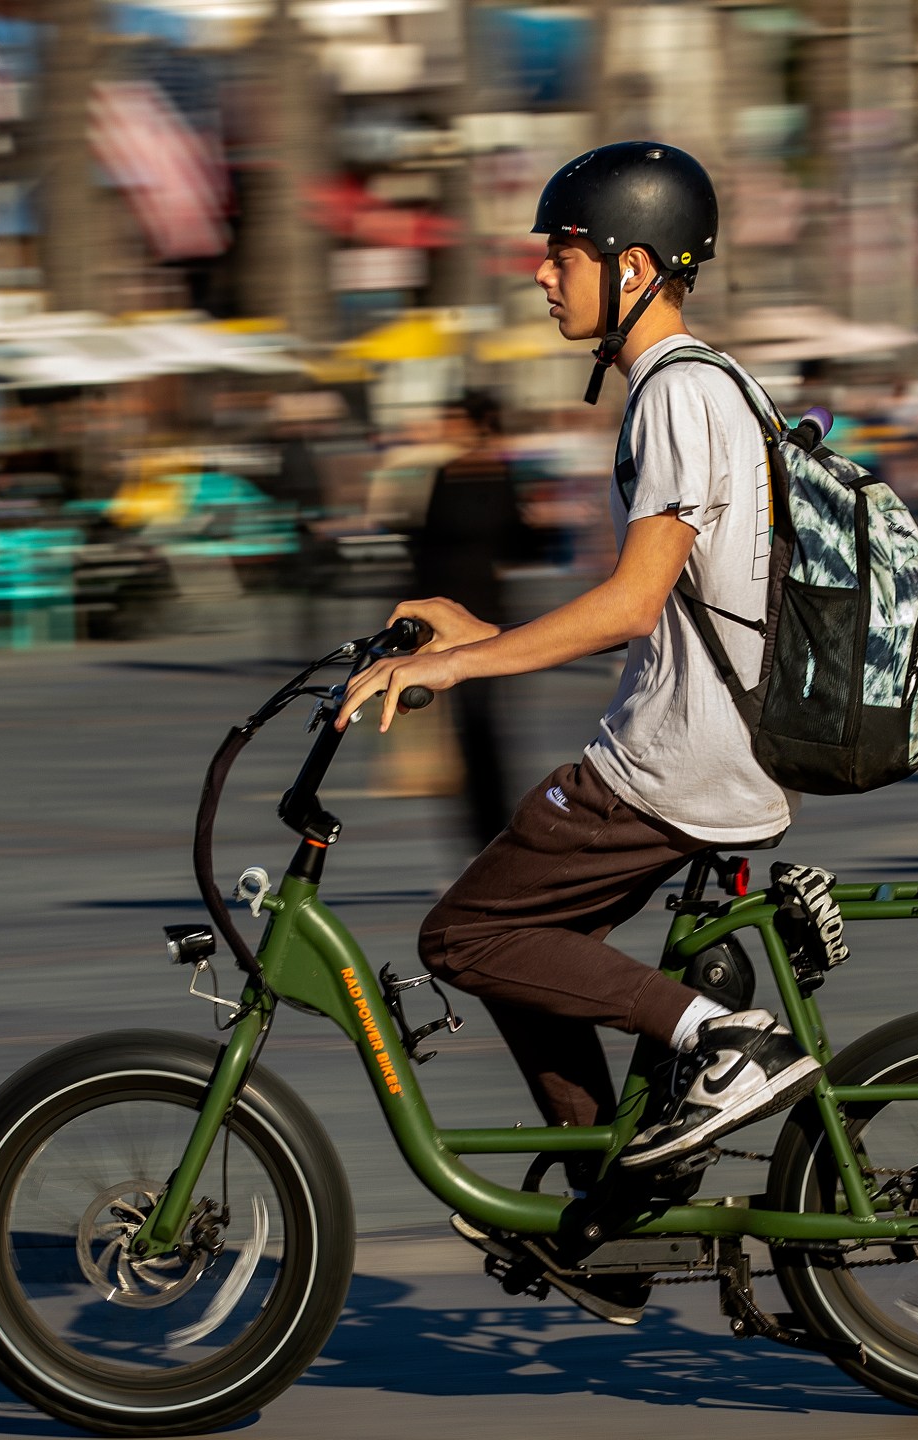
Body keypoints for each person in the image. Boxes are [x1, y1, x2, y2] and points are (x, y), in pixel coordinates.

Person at [333, 142, 819, 1324]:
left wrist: (454, 663)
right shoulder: (707, 386)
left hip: (676, 760)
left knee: (465, 932)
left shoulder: (675, 391)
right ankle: (610, 1219)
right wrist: (473, 625)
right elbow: (668, 610)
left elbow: (632, 603)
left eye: (561, 253)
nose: (541, 276)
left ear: (635, 265)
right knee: (523, 940)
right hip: (699, 738)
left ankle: (723, 1043)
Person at [410, 390, 535, 847]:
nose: (447, 427)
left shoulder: (487, 473)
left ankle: (494, 836)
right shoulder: (464, 473)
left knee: (481, 731)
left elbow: (516, 544)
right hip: (454, 618)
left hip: (482, 622)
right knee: (473, 733)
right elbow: (427, 549)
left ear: (478, 424)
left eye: (455, 419)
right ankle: (489, 836)